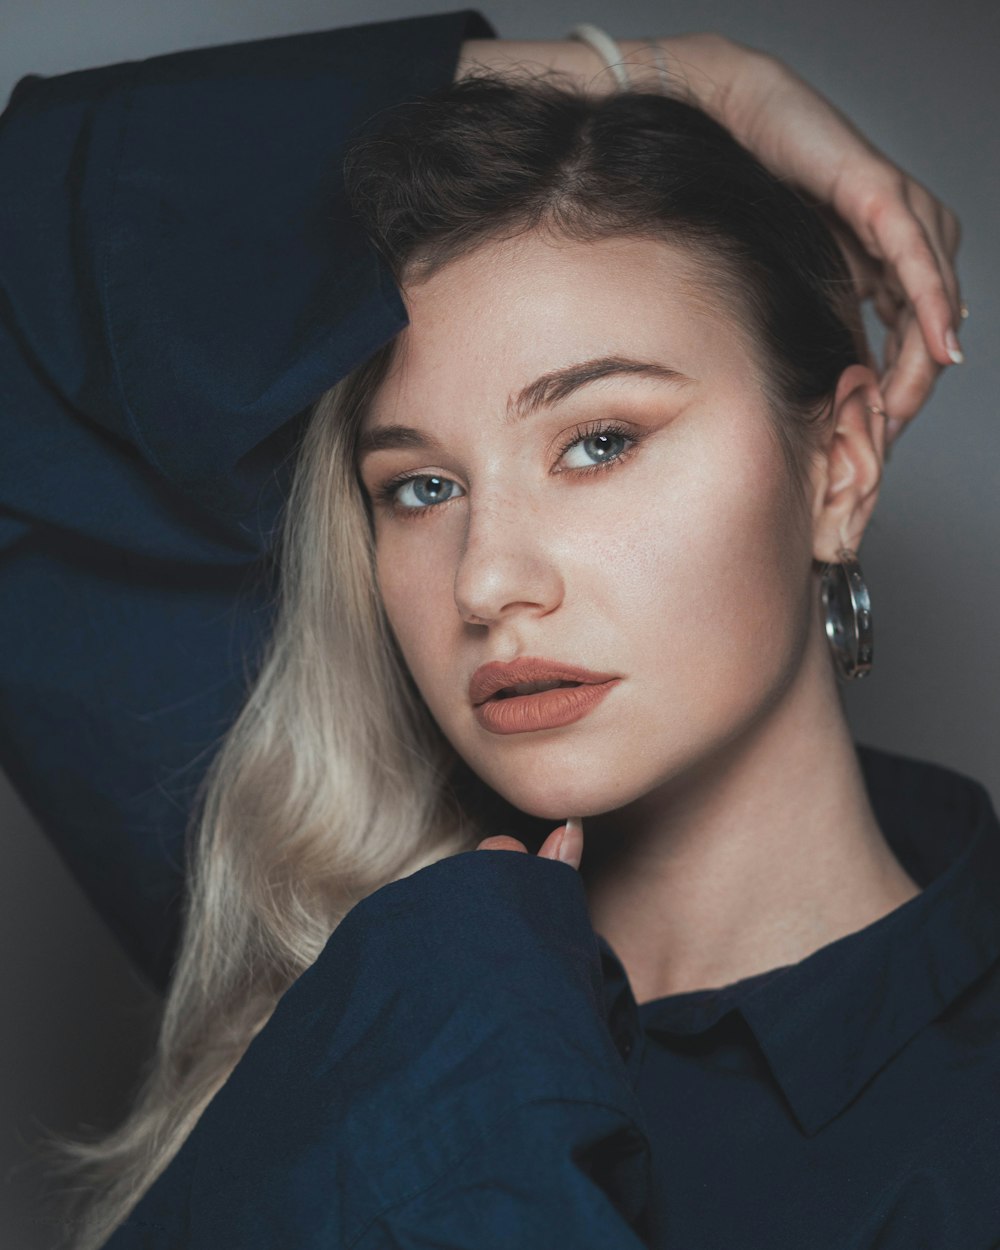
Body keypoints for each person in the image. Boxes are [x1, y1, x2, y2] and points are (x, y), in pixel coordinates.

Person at [0, 14, 989, 1250]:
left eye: (598, 441)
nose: (486, 580)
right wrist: (681, 77)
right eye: (419, 486)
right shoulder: (350, 927)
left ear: (836, 465)